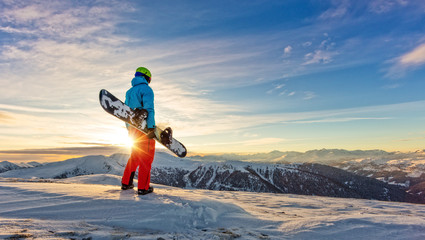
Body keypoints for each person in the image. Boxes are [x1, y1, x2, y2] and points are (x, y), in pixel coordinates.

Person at [121, 66, 159, 195]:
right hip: (144, 129)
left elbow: (126, 113)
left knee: (135, 157)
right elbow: (149, 109)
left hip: (132, 129)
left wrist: (129, 129)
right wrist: (151, 127)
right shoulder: (146, 89)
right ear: (147, 77)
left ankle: (126, 183)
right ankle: (143, 187)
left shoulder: (129, 92)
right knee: (146, 158)